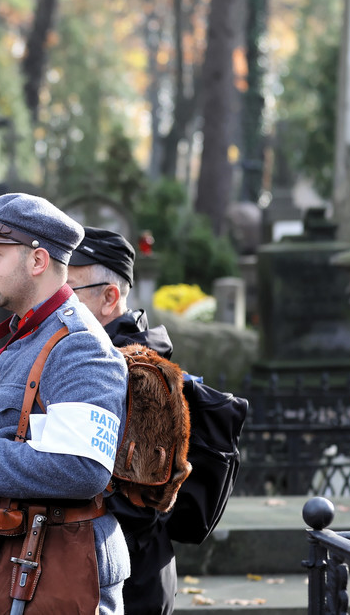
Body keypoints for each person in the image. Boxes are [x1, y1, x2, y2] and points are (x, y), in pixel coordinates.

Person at [0, 194, 131, 614]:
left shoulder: (78, 344)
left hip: (55, 573)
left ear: (38, 261)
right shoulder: (29, 334)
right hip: (15, 566)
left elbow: (85, 471)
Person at [67, 226, 231, 615]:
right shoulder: (93, 354)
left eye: (69, 291)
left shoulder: (142, 372)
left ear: (110, 297)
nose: (60, 303)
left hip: (129, 577)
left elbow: (142, 502)